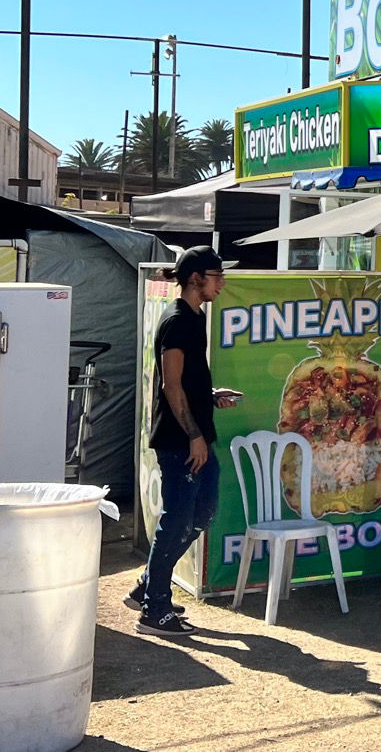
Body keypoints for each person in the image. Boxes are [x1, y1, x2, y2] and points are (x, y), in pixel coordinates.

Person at [133, 246, 241, 638]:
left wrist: (210, 395)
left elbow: (188, 383)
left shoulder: (195, 317)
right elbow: (170, 383)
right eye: (217, 275)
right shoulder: (177, 320)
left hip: (195, 436)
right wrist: (194, 435)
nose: (223, 283)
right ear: (196, 279)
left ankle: (149, 585)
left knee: (201, 515)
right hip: (181, 441)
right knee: (178, 518)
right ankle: (154, 610)